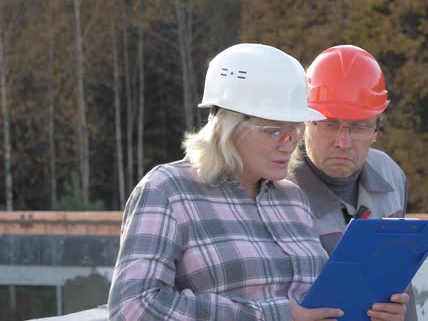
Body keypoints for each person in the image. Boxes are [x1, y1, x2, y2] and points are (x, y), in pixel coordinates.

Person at [107, 43, 345, 321]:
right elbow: (133, 308)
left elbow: (313, 303)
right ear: (227, 128)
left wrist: (369, 309)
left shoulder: (293, 199)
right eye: (273, 131)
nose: (289, 145)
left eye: (295, 131)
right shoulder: (167, 190)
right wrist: (271, 316)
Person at [288, 45, 418, 321]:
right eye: (329, 124)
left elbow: (400, 279)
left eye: (358, 127)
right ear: (305, 122)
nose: (343, 142)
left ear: (377, 128)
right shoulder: (276, 190)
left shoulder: (391, 176)